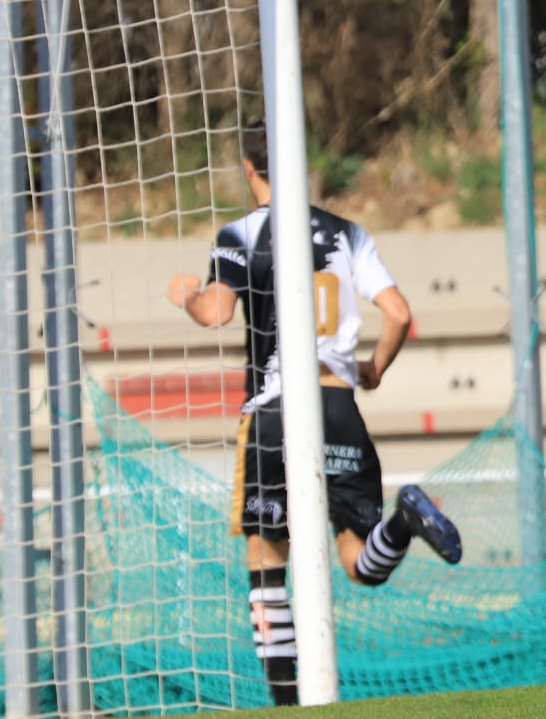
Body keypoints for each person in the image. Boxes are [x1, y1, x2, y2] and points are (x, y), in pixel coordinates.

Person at [166, 121, 462, 707]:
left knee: (266, 557)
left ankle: (284, 701)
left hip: (276, 410)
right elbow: (398, 312)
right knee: (357, 559)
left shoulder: (241, 233)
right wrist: (372, 367)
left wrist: (188, 298)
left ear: (249, 169)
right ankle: (403, 521)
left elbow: (218, 313)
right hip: (339, 402)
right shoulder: (346, 232)